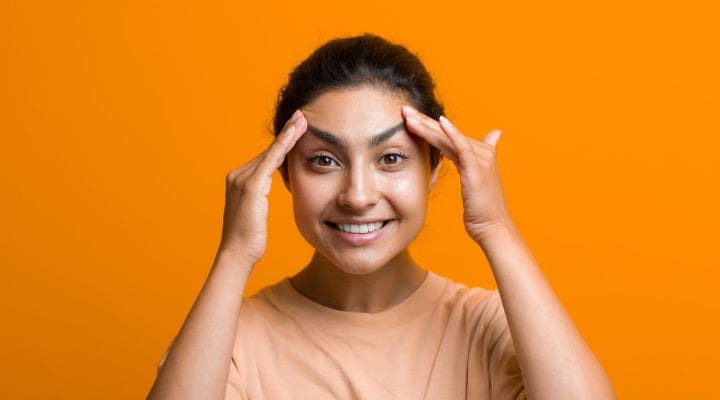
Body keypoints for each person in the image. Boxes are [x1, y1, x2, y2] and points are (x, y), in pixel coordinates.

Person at [147, 33, 616, 400]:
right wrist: (234, 253)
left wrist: (496, 228)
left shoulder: (491, 325)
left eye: (390, 158)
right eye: (324, 161)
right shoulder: (230, 340)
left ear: (434, 169)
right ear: (283, 174)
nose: (357, 195)